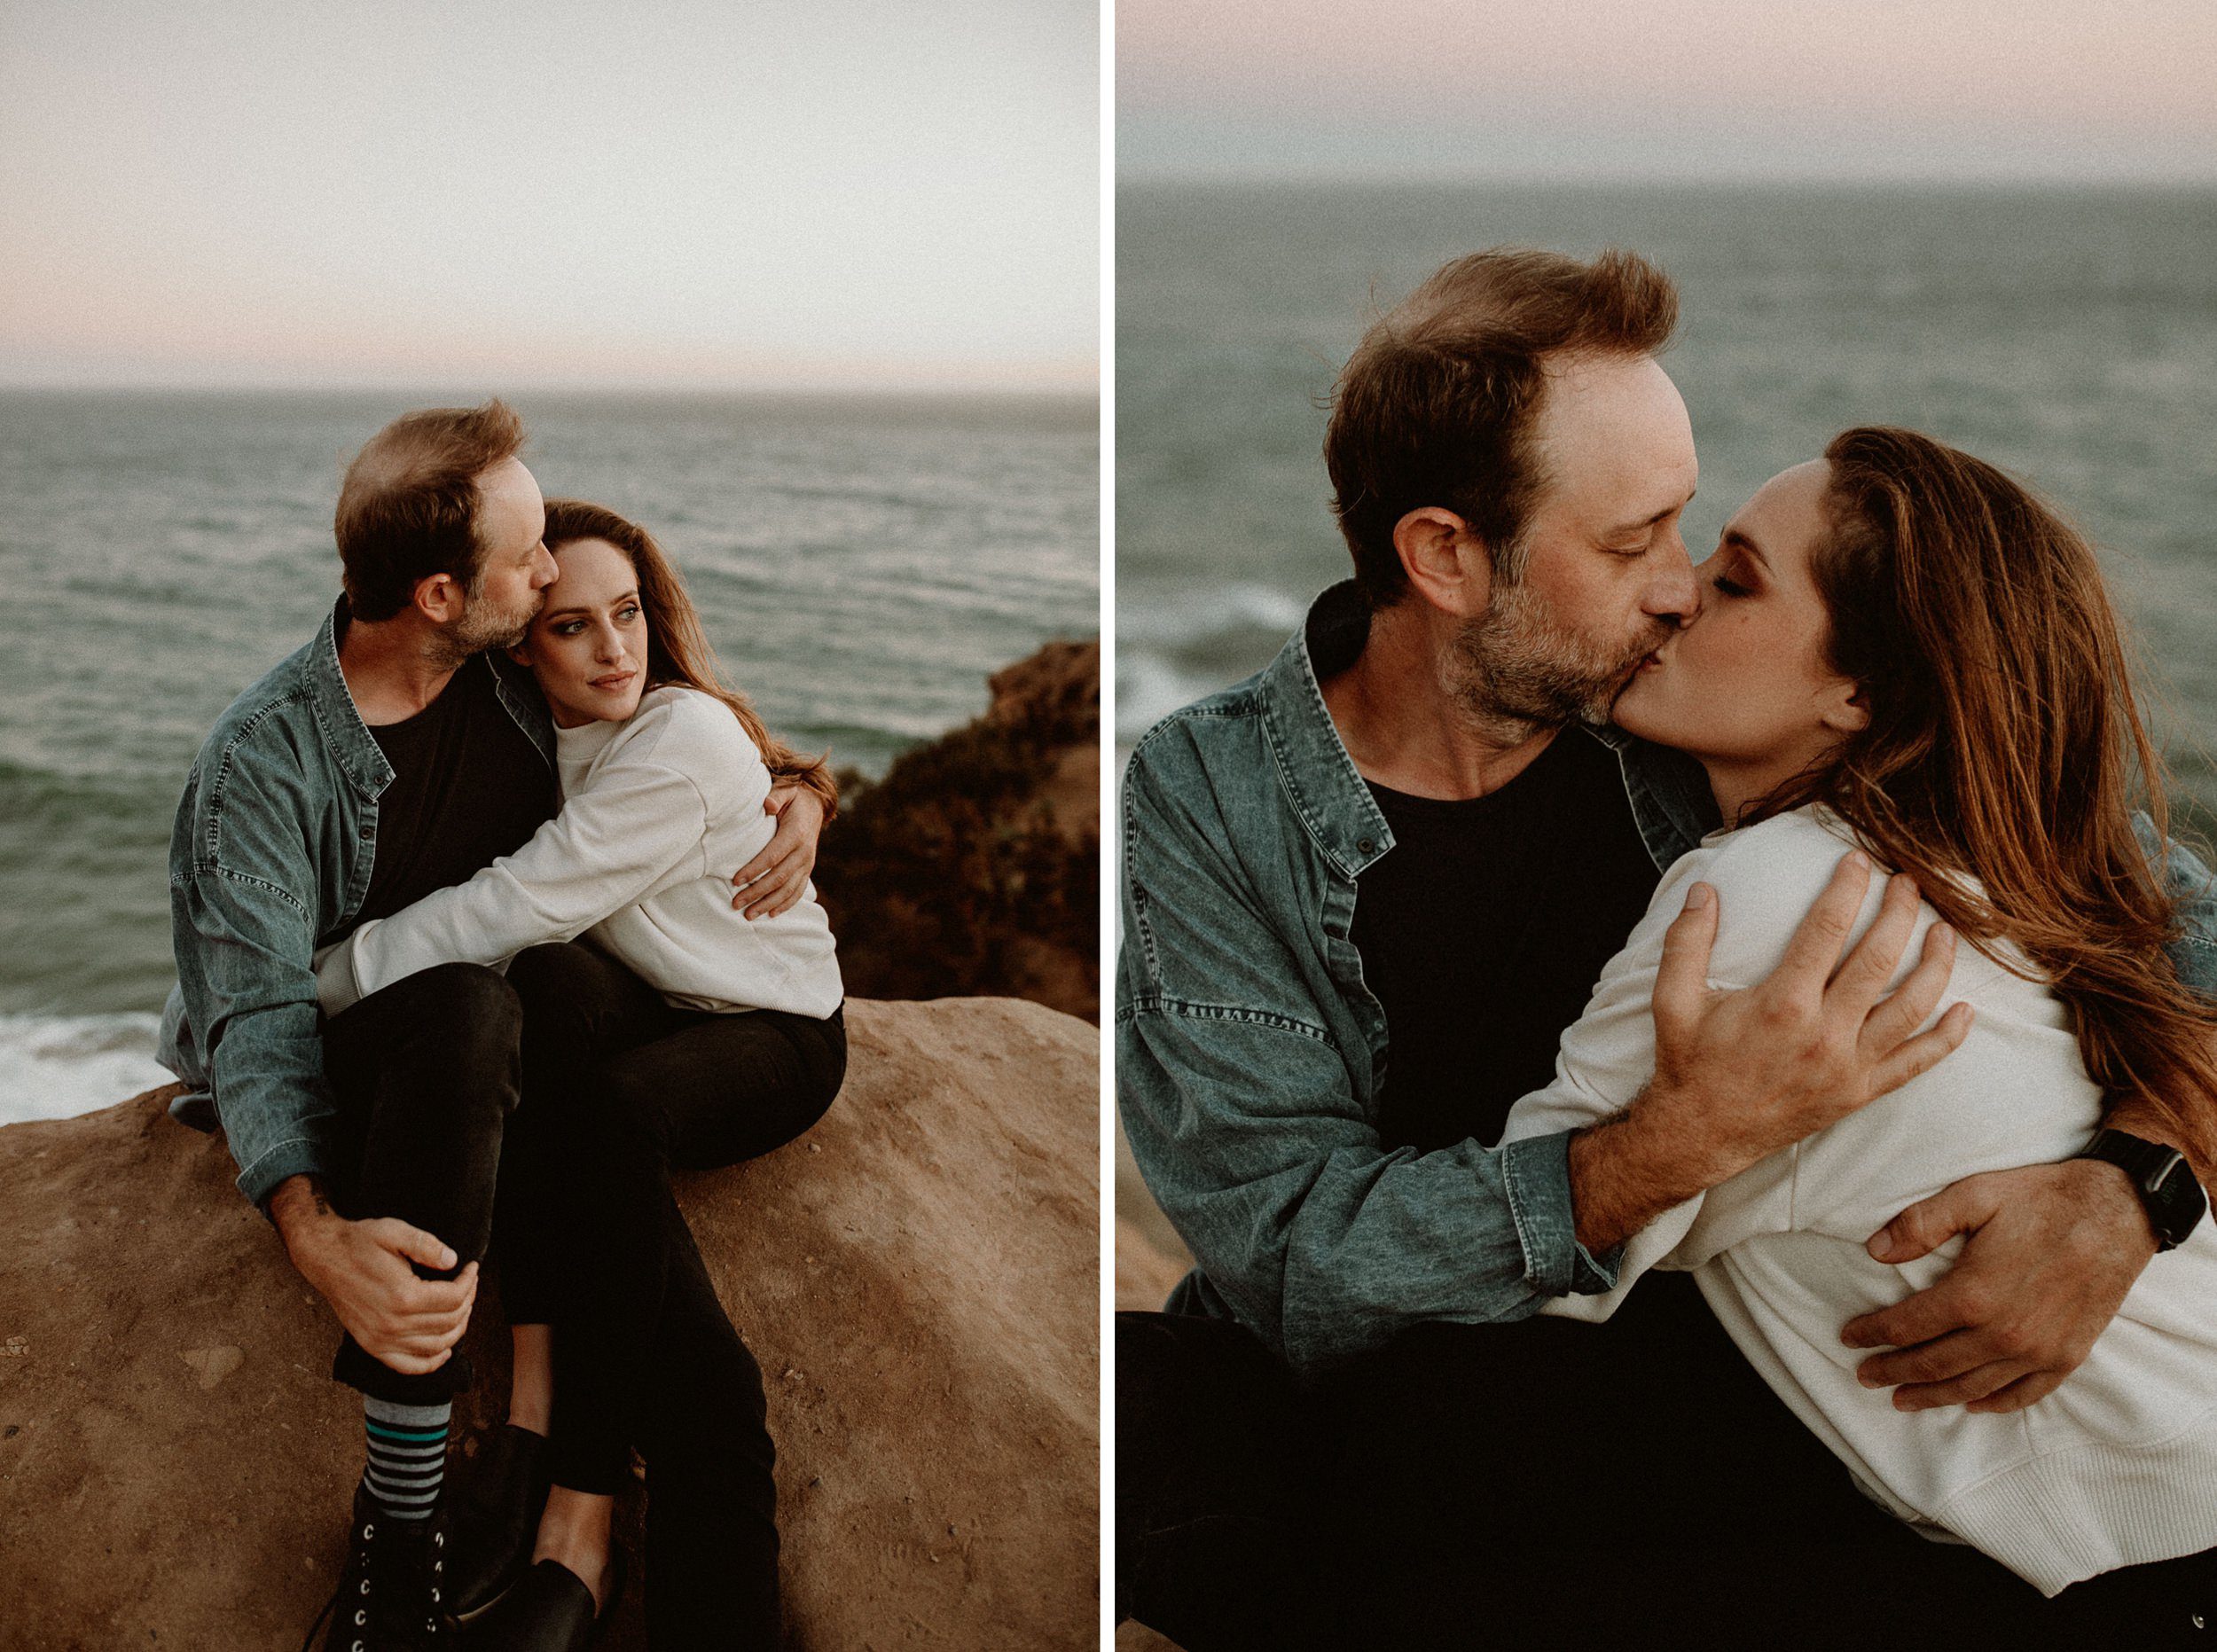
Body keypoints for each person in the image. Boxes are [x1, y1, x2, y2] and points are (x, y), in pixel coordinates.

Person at [1113, 249, 2217, 1649]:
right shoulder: (1216, 799)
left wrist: (2141, 1183)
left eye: (1690, 533)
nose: (1681, 590)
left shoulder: (1713, 732)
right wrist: (1665, 1151)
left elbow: (2173, 913)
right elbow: (1288, 1261)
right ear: (1446, 556)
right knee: (1167, 1402)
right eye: (1633, 545)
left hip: (1703, 1344)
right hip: (1467, 1337)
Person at [1472, 427, 2217, 1644]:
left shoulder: (1765, 902)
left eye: (1735, 580)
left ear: (1861, 692)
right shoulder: (1994, 865)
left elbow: (1509, 1266)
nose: (1674, 594)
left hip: (2155, 1571)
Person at [156, 402, 827, 1652]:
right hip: (362, 1056)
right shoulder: (265, 761)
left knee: (530, 1001)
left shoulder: (511, 690)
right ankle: (399, 1538)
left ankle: (560, 1487)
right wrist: (307, 1227)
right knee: (486, 1004)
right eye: (528, 566)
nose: (547, 574)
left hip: (523, 1064)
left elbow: (669, 754)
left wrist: (796, 795)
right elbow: (248, 1015)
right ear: (441, 597)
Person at [314, 499, 848, 1650]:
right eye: (573, 627)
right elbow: (447, 887)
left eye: (628, 614)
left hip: (772, 1025)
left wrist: (297, 995)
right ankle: (549, 1418)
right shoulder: (513, 736)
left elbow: (514, 896)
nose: (615, 648)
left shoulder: (680, 741)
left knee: (613, 1134)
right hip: (644, 1002)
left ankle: (577, 1503)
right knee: (542, 987)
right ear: (517, 641)